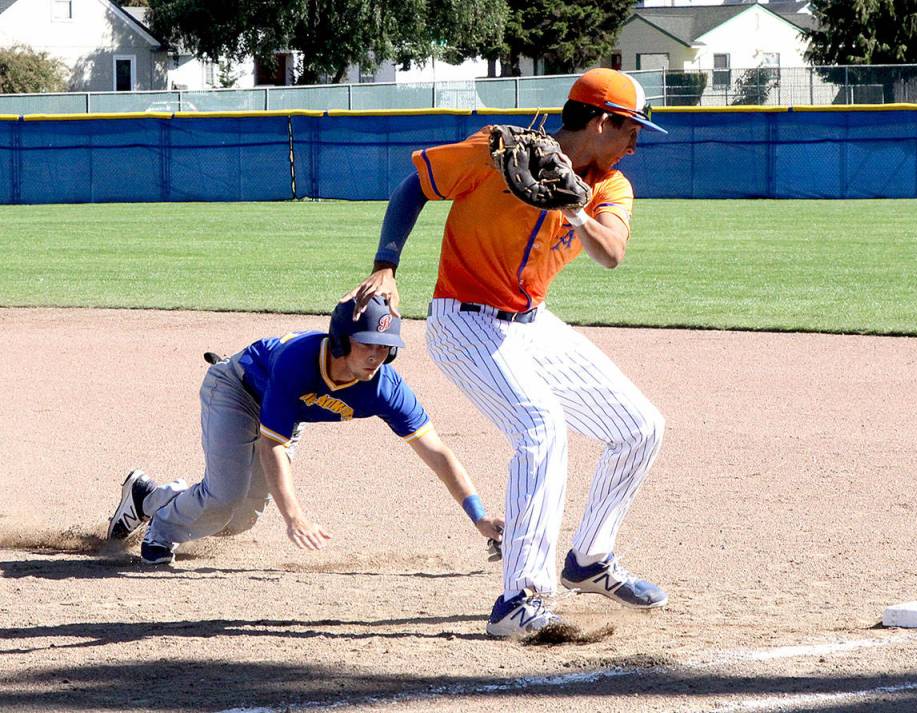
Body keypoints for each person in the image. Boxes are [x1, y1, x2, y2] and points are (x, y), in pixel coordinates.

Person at [342, 68, 668, 638]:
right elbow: (415, 185)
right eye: (630, 129)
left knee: (640, 427)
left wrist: (574, 207)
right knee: (541, 427)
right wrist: (385, 265)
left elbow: (611, 253)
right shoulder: (498, 152)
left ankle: (590, 560)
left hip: (532, 324)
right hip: (464, 322)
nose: (635, 143)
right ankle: (521, 599)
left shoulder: (609, 185)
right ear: (599, 121)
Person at [106, 296, 503, 565]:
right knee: (223, 496)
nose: (376, 356)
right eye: (367, 344)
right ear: (341, 341)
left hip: (285, 415)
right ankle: (162, 526)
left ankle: (147, 496)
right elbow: (272, 446)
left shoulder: (385, 388)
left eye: (385, 347)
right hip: (237, 391)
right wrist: (294, 516)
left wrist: (479, 517)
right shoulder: (299, 362)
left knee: (238, 521)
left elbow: (436, 452)